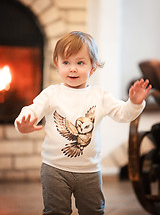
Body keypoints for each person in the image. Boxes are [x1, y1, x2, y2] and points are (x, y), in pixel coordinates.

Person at [15, 31, 152, 215]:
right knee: (55, 211)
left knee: (93, 211)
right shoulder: (52, 93)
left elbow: (123, 114)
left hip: (89, 171)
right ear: (57, 64)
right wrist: (23, 123)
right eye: (66, 62)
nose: (72, 69)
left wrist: (134, 103)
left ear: (93, 67)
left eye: (80, 63)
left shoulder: (100, 95)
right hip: (54, 169)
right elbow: (32, 109)